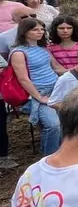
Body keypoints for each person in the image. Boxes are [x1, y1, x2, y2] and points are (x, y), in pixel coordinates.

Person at [10, 18, 64, 155]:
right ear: (24, 32)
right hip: (37, 93)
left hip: (56, 88)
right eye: (35, 29)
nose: (40, 32)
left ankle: (63, 152)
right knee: (53, 125)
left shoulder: (43, 49)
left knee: (67, 122)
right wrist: (40, 98)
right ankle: (49, 158)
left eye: (41, 29)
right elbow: (23, 79)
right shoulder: (18, 53)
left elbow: (56, 67)